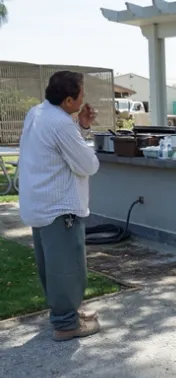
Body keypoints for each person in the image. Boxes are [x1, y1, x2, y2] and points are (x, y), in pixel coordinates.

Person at [18, 71, 101, 342]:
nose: (83, 98)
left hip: (39, 203)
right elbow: (88, 165)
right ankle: (66, 324)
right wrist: (82, 134)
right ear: (68, 100)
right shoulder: (61, 124)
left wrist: (82, 126)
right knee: (67, 266)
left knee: (51, 265)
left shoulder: (38, 113)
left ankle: (64, 313)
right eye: (81, 94)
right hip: (59, 207)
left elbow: (57, 148)